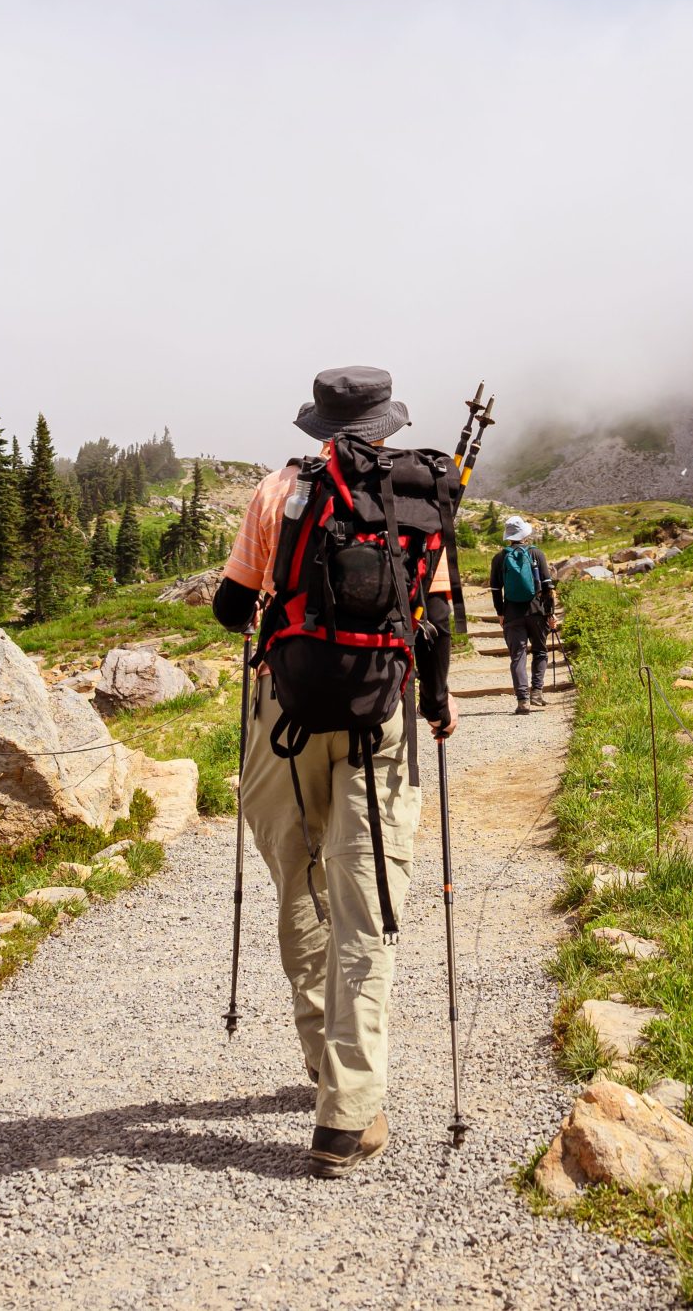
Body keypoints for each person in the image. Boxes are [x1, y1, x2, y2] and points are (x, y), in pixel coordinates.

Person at [211, 366, 458, 1178]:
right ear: (387, 422)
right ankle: (346, 1116)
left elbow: (228, 607)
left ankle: (322, 1062)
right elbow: (437, 620)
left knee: (301, 887)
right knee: (369, 901)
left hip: (282, 713)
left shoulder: (277, 492)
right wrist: (436, 705)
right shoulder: (420, 494)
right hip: (377, 718)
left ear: (320, 425)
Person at [490, 515, 556, 710]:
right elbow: (547, 587)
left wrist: (500, 612)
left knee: (518, 656)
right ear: (525, 534)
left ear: (508, 536)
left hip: (512, 613)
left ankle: (523, 700)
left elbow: (495, 589)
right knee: (540, 651)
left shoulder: (500, 558)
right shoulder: (537, 554)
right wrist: (550, 613)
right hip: (537, 611)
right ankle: (536, 692)